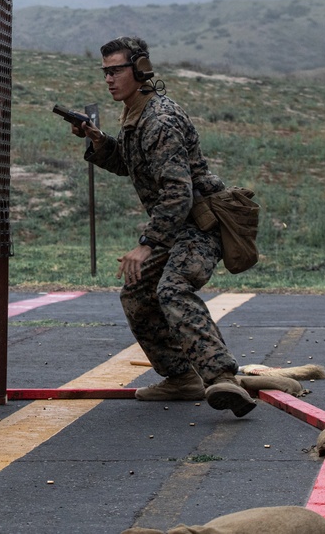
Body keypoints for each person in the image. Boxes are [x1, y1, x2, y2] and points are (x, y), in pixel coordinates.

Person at [70, 36, 256, 417]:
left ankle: (222, 377)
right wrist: (97, 140)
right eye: (105, 72)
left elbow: (178, 193)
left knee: (173, 288)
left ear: (140, 69)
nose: (109, 79)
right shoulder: (136, 113)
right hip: (176, 225)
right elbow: (130, 162)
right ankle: (181, 377)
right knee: (137, 293)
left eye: (116, 70)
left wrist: (147, 243)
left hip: (200, 223)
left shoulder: (160, 118)